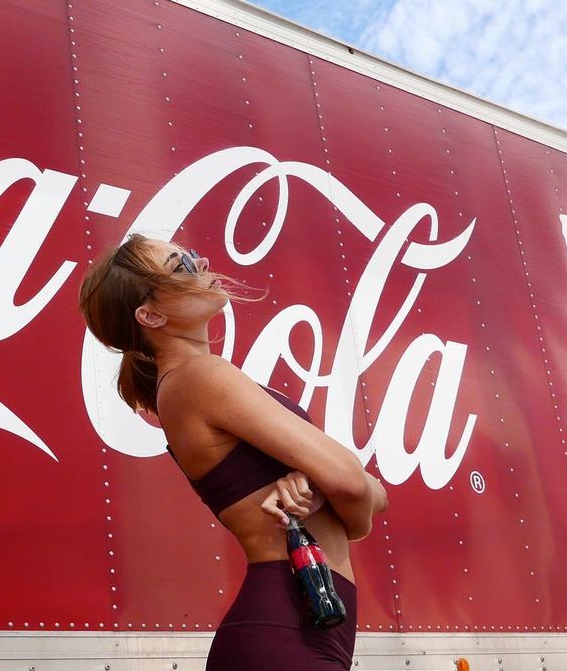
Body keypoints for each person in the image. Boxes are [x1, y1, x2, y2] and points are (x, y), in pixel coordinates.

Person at [78, 234, 388, 670]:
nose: (200, 261)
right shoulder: (199, 375)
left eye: (190, 254)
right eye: (179, 265)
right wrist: (341, 496)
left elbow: (366, 492)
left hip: (297, 628)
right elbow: (356, 487)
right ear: (150, 314)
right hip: (287, 634)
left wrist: (329, 491)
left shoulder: (189, 382)